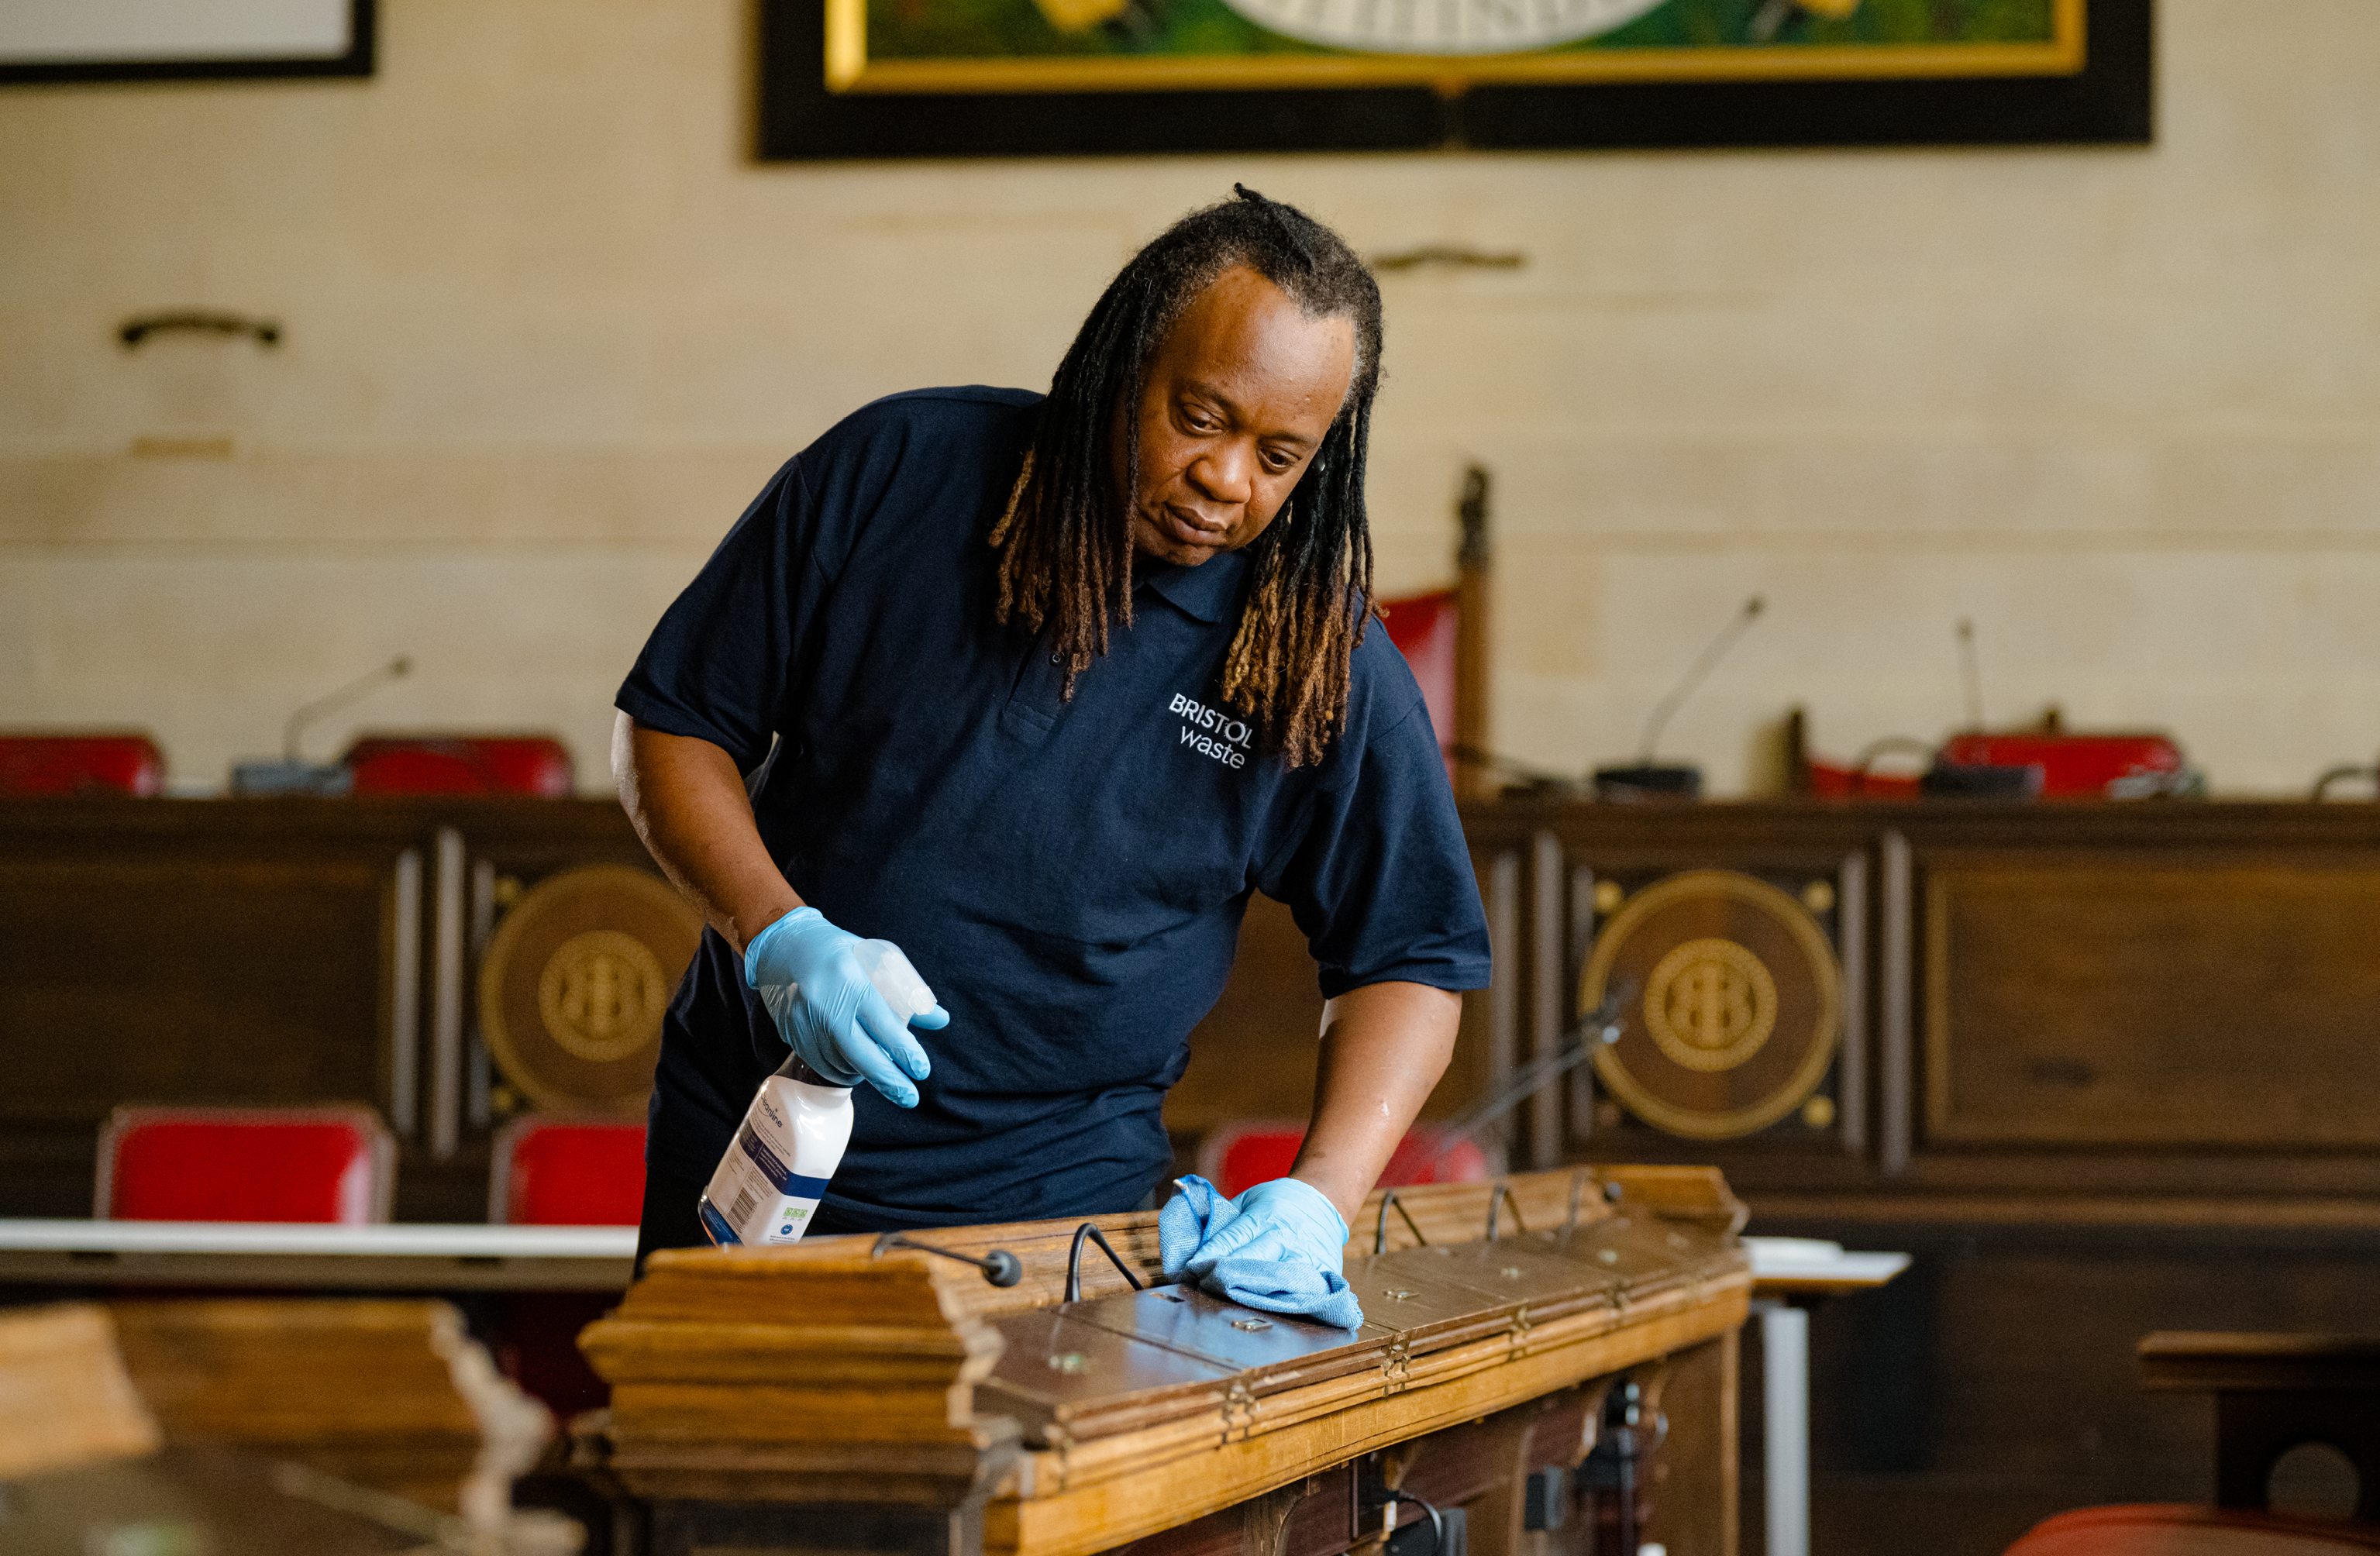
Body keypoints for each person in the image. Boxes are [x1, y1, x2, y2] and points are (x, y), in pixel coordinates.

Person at [613, 186, 1490, 1314]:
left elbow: (1411, 957)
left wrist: (1319, 1194)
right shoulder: (897, 470)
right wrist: (777, 934)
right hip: (752, 1150)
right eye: (1201, 418)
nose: (1228, 481)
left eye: (1280, 457)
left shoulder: (1312, 653)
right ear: (1126, 360)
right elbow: (676, 723)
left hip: (1055, 1216)